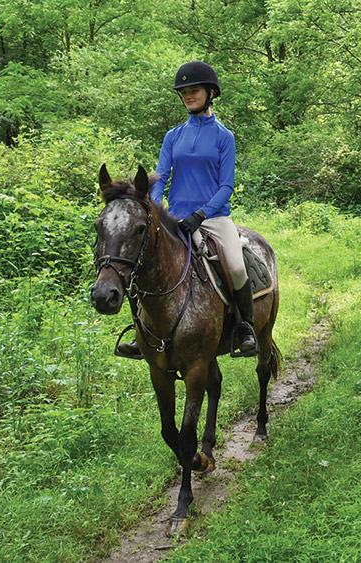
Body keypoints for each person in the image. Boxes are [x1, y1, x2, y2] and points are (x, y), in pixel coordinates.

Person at [117, 61, 258, 359]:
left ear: (210, 93)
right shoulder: (173, 136)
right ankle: (141, 333)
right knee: (148, 263)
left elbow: (226, 187)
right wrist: (157, 206)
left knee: (234, 265)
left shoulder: (224, 137)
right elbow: (160, 176)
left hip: (214, 218)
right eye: (183, 92)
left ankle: (245, 327)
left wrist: (202, 214)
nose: (188, 96)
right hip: (176, 218)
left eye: (193, 91)